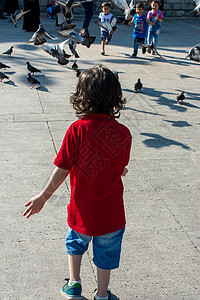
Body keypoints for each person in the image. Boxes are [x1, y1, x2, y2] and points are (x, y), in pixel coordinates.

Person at [23, 65, 132, 300]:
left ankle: (74, 284)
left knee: (75, 244)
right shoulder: (123, 133)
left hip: (82, 210)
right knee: (107, 253)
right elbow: (121, 166)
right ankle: (102, 294)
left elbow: (63, 168)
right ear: (115, 97)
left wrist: (44, 196)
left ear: (82, 97)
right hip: (112, 213)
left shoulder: (77, 130)